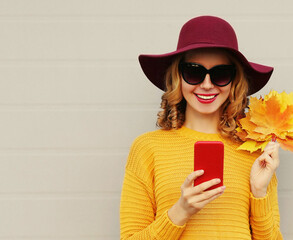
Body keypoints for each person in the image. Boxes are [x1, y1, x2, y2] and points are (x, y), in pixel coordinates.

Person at [120, 15, 283, 239]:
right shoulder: (148, 148)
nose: (207, 85)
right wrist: (180, 211)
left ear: (234, 81)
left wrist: (258, 192)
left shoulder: (256, 153)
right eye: (194, 72)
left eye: (221, 74)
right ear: (178, 77)